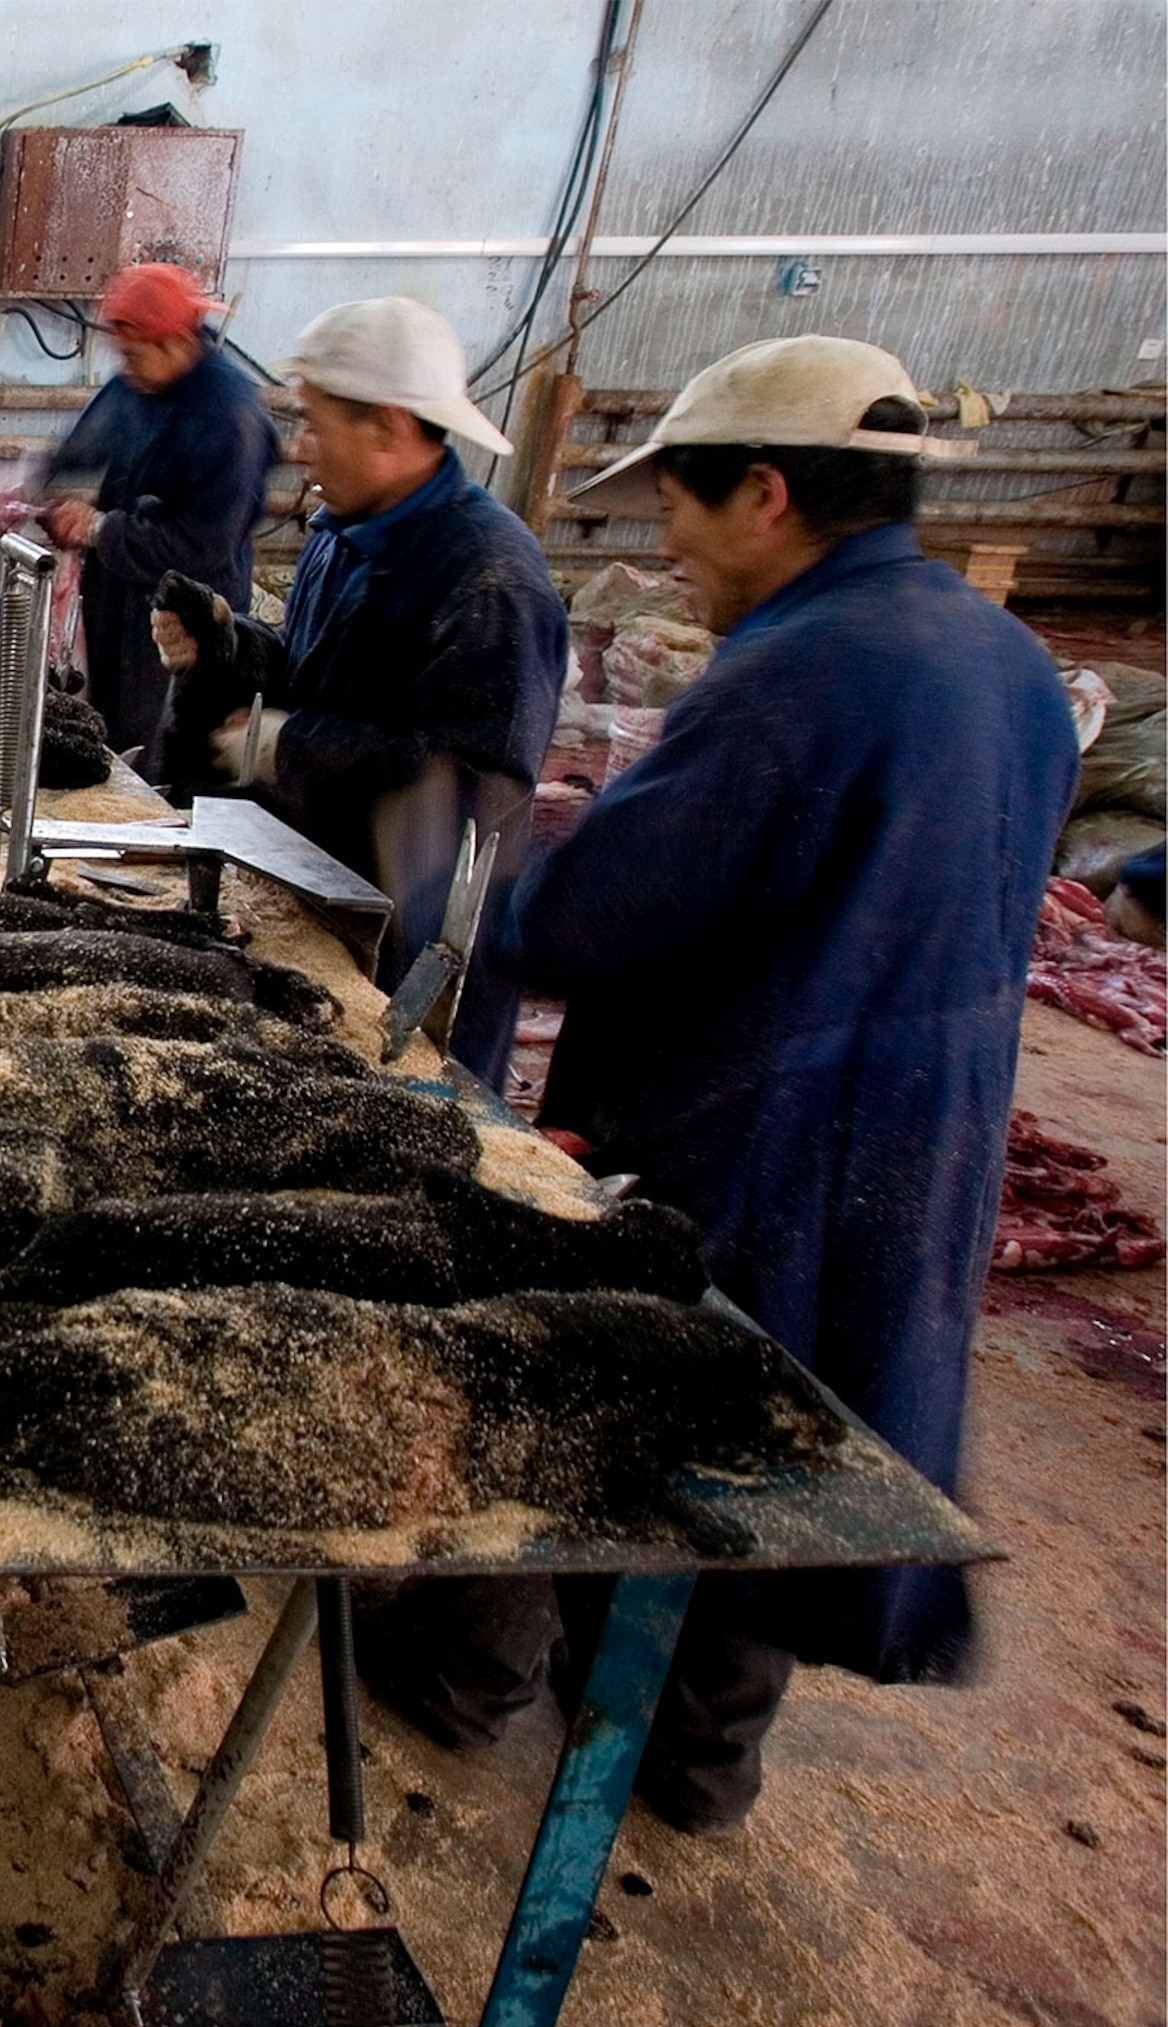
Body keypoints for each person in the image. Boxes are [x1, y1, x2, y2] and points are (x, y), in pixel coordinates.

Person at [359, 336, 1079, 1833]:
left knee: (602, 1400)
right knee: (789, 1422)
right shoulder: (1002, 660)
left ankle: (460, 1682)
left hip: (752, 1131)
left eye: (678, 507)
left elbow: (598, 916)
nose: (667, 545)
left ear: (765, 491)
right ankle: (698, 1761)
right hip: (922, 1136)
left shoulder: (805, 669)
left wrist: (439, 855)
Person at [151, 296, 567, 1084]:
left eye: (315, 423)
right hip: (329, 892)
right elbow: (320, 674)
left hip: (412, 950)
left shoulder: (489, 582)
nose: (301, 448)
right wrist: (226, 644)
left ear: (389, 424)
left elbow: (472, 784)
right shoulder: (345, 532)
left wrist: (285, 746)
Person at [37, 263, 278, 771]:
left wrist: (100, 528)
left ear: (174, 343)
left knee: (152, 741)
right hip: (119, 594)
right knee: (104, 720)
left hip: (182, 617)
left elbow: (203, 543)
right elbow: (90, 439)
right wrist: (31, 479)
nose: (123, 368)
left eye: (131, 355)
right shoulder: (140, 381)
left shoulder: (229, 417)